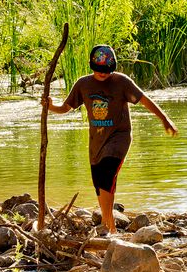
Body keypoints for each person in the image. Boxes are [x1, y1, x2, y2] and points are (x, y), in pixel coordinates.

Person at [43, 44, 178, 234]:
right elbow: (66, 107)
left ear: (112, 67)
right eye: (99, 70)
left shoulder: (121, 82)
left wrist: (164, 119)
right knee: (99, 181)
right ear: (91, 66)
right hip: (96, 141)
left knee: (107, 174)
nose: (103, 74)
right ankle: (109, 225)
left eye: (106, 70)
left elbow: (145, 100)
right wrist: (50, 106)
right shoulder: (83, 84)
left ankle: (108, 225)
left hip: (119, 137)